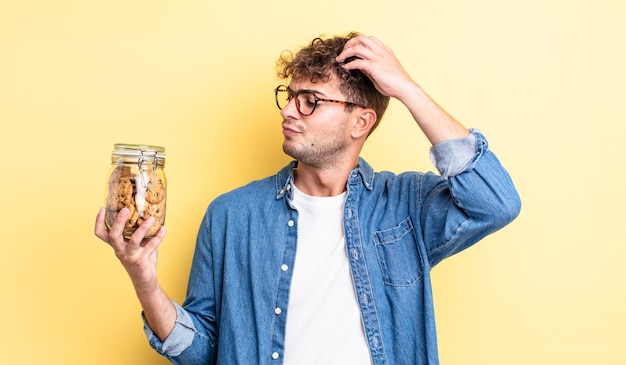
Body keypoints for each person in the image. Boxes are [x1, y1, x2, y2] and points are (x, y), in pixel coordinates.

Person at [94, 32, 521, 365]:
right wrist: (145, 283)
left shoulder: (406, 205)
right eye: (290, 96)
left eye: (310, 101)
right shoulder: (232, 216)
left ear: (361, 122)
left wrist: (407, 90)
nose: (288, 110)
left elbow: (495, 202)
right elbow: (206, 351)